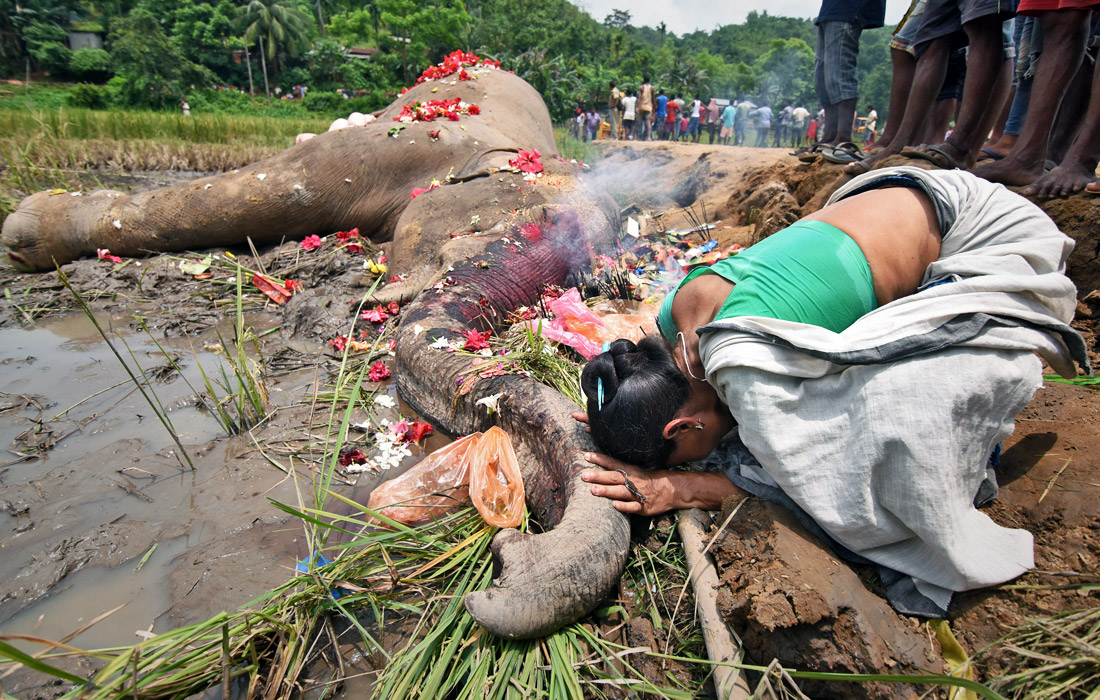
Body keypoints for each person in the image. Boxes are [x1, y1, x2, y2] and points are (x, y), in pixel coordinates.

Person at [576, 165, 1086, 616]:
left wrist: (676, 487)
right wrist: (613, 414)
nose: (692, 461)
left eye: (685, 454)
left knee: (898, 428)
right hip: (922, 191)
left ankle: (979, 437)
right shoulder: (676, 317)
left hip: (989, 236)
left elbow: (806, 481)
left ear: (683, 426)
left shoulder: (742, 368)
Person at [814, 0, 887, 145]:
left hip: (847, 9)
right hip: (831, 10)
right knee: (823, 79)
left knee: (839, 73)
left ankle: (843, 137)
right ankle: (830, 135)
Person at [637, 76, 654, 141]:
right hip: (648, 107)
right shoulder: (652, 88)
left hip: (642, 106)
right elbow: (653, 98)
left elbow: (639, 98)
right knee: (648, 122)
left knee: (640, 122)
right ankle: (648, 137)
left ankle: (639, 137)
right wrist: (654, 107)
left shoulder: (641, 87)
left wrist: (638, 107)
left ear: (643, 80)